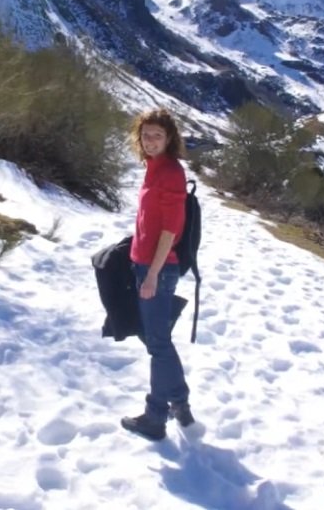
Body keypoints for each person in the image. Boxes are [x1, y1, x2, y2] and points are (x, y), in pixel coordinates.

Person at [121, 108, 194, 441]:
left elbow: (171, 229)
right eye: (146, 134)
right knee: (158, 340)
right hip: (146, 264)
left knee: (157, 344)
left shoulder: (171, 173)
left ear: (170, 139)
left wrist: (152, 274)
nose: (150, 141)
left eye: (157, 136)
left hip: (158, 269)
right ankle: (180, 403)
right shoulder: (153, 168)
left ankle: (155, 417)